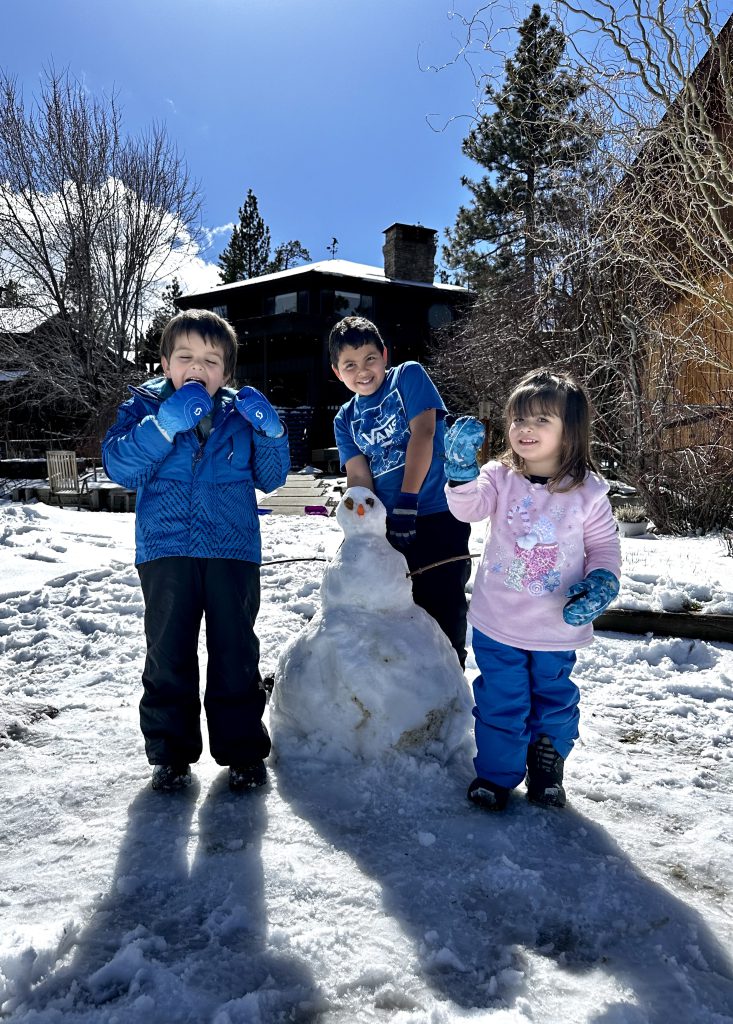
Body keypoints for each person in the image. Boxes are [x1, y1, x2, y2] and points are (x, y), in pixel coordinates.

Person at [102, 309, 290, 793]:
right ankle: (171, 754)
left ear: (226, 372)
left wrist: (273, 433)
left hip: (232, 550)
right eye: (185, 356)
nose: (197, 367)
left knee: (235, 653)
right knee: (168, 654)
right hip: (166, 549)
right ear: (165, 364)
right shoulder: (143, 408)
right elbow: (121, 467)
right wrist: (162, 426)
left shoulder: (239, 415)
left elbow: (270, 479)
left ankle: (243, 751)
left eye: (211, 360)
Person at [444, 368, 621, 811]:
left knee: (553, 699)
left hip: (555, 627)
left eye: (543, 420)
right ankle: (496, 775)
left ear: (570, 431)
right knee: (501, 700)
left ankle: (547, 766)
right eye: (520, 418)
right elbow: (468, 509)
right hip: (498, 622)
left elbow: (603, 547)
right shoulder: (499, 477)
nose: (527, 429)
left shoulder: (588, 494)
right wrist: (461, 472)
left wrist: (602, 582)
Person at [330, 315, 471, 666]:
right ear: (337, 372)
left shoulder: (407, 376)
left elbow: (423, 434)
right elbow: (359, 476)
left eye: (369, 359)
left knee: (442, 603)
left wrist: (408, 499)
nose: (362, 371)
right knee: (393, 604)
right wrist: (360, 528)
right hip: (388, 528)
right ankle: (404, 686)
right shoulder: (344, 419)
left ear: (385, 355)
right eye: (350, 365)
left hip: (437, 514)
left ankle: (449, 679)